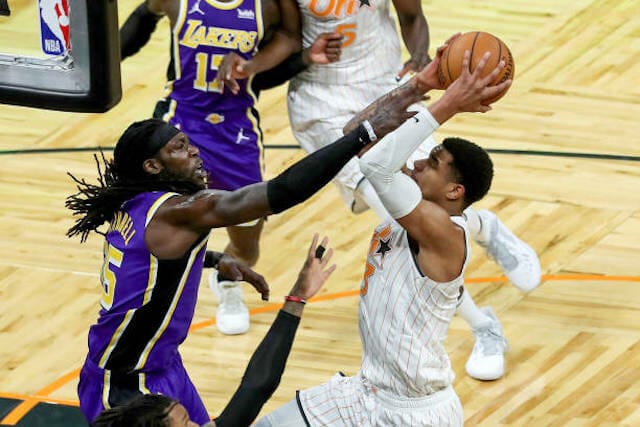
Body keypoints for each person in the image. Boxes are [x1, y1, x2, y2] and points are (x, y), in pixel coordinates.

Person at [66, 65, 434, 425]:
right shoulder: (180, 211)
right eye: (179, 148)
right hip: (125, 384)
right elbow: (282, 192)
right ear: (152, 166)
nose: (194, 151)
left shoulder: (134, 203)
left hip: (160, 365)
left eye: (189, 142)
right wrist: (363, 135)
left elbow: (141, 266)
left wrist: (213, 259)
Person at [255, 42, 509, 427]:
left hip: (417, 413)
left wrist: (448, 106)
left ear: (454, 191)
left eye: (433, 163)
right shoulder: (412, 201)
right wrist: (420, 84)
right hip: (362, 392)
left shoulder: (443, 233)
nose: (418, 163)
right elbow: (353, 134)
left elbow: (375, 165)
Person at [287, 0, 540, 380]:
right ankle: (478, 228)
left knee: (414, 214)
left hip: (384, 82)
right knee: (404, 213)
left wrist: (421, 63)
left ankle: (483, 326)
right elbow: (281, 41)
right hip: (323, 100)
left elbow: (411, 15)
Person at [119, 0, 343, 336]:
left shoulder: (268, 6)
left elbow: (288, 38)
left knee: (247, 244)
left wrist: (257, 65)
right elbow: (143, 16)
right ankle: (146, 295)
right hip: (180, 123)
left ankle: (226, 282)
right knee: (153, 221)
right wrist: (101, 67)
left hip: (236, 131)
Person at [91, 234, 337, 427]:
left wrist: (297, 297)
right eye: (187, 424)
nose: (198, 425)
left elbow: (256, 389)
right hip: (118, 373)